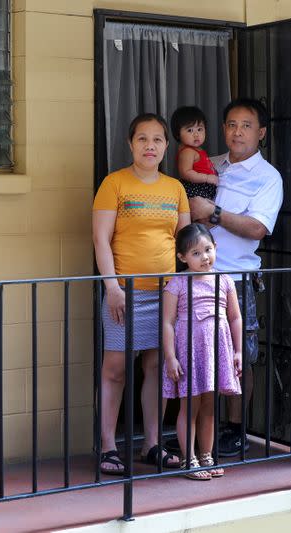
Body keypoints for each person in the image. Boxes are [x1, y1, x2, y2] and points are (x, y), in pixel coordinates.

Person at [93, 113, 192, 474]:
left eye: (157, 140)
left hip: (165, 292)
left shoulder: (175, 188)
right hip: (125, 292)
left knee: (156, 367)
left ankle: (152, 443)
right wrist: (112, 286)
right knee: (116, 369)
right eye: (142, 139)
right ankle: (107, 446)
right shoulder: (114, 183)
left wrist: (182, 288)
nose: (150, 146)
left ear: (167, 146)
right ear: (130, 144)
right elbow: (100, 238)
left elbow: (186, 242)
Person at [189, 98, 283, 457]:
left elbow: (258, 228)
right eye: (231, 124)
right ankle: (196, 430)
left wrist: (213, 213)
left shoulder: (267, 177)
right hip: (195, 277)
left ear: (260, 133)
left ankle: (236, 429)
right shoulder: (210, 165)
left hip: (235, 279)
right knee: (196, 352)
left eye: (246, 125)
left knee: (239, 355)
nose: (237, 131)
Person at [162, 223, 242, 480]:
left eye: (208, 249)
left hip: (216, 352)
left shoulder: (224, 280)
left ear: (216, 248)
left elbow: (235, 318)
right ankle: (189, 459)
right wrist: (170, 357)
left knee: (209, 405)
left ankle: (206, 456)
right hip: (189, 353)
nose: (204, 257)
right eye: (196, 253)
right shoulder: (178, 282)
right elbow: (167, 322)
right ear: (182, 257)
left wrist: (238, 352)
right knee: (190, 406)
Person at [170, 106, 219, 200]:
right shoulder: (187, 152)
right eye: (190, 130)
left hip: (205, 186)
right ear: (178, 134)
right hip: (195, 187)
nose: (196, 134)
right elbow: (186, 172)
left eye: (199, 129)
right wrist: (207, 178)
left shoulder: (197, 149)